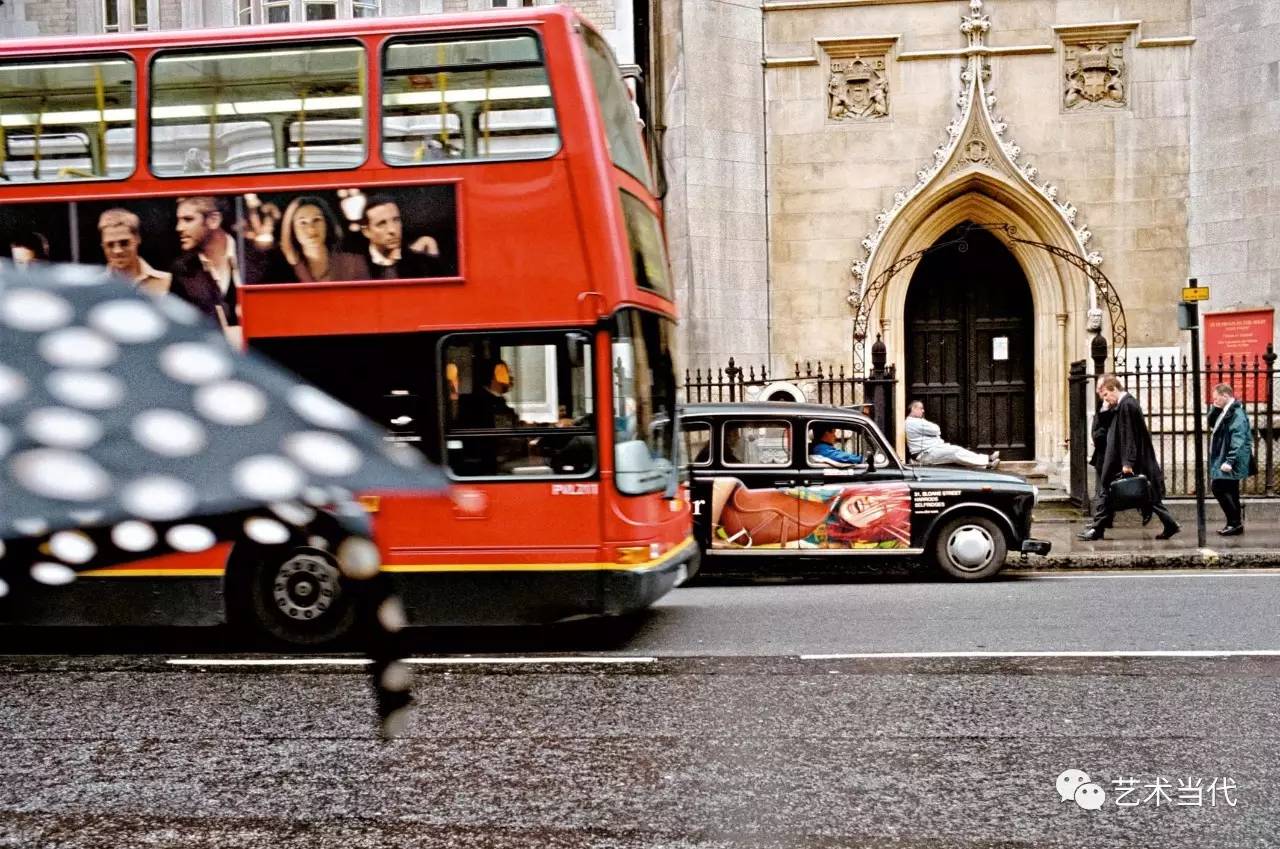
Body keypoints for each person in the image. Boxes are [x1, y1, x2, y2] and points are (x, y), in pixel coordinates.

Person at [1078, 374, 1180, 541]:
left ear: (1114, 389)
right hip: (1123, 459)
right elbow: (1105, 422)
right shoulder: (1122, 404)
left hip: (1128, 460)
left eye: (1105, 395)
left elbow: (1128, 435)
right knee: (1145, 495)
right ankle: (1098, 529)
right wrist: (1105, 406)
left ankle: (1098, 529)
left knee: (1146, 495)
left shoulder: (1127, 405)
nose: (1105, 399)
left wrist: (1127, 462)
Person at [170, 196, 242, 334]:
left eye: (188, 219)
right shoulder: (181, 269)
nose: (179, 228)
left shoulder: (259, 258)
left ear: (213, 220)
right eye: (178, 220)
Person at [279, 195, 371, 283]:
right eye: (303, 223)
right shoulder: (282, 271)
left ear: (327, 223)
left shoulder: (354, 264)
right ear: (291, 229)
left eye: (317, 220)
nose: (311, 229)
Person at [359, 195, 446, 280]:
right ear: (366, 232)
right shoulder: (355, 268)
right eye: (382, 223)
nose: (392, 230)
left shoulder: (423, 264)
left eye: (396, 220)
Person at [1208, 383, 1252, 536]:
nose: (1215, 401)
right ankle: (1234, 524)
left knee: (1218, 487)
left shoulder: (1236, 413)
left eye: (1216, 398)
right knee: (1232, 491)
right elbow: (1211, 422)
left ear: (1225, 396)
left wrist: (1230, 460)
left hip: (1230, 459)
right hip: (1226, 456)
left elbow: (1238, 438)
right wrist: (1215, 407)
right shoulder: (1226, 410)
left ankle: (1234, 523)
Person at [97, 208, 172, 295]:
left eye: (124, 243)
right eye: (110, 245)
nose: (117, 250)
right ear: (103, 245)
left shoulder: (167, 282)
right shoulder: (94, 287)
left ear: (137, 239)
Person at [903, 401, 999, 469]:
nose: (923, 411)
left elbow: (935, 431)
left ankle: (986, 463)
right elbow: (936, 430)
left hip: (932, 450)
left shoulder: (917, 421)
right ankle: (987, 462)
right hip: (925, 455)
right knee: (955, 452)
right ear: (913, 409)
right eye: (920, 408)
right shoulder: (913, 422)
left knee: (957, 451)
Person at [456, 359, 518, 430]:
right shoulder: (476, 402)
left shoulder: (497, 399)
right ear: (492, 376)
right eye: (504, 372)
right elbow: (502, 433)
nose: (508, 375)